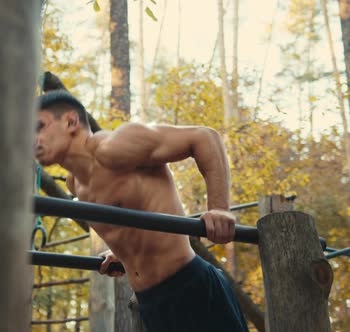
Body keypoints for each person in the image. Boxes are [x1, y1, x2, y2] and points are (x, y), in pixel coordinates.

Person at [34, 90, 249, 332]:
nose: (33, 139)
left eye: (39, 127)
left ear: (71, 122)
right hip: (151, 303)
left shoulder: (114, 147)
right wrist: (121, 252)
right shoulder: (75, 184)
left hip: (189, 287)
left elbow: (204, 137)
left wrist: (219, 209)